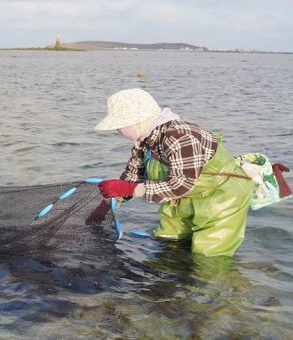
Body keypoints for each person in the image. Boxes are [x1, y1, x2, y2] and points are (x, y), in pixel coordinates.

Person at [89, 88, 255, 257]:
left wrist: (131, 190)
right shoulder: (143, 140)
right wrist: (107, 204)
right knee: (167, 247)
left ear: (137, 120)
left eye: (120, 125)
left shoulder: (181, 137)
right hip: (182, 199)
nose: (117, 130)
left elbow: (181, 185)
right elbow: (132, 178)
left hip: (221, 197)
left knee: (207, 258)